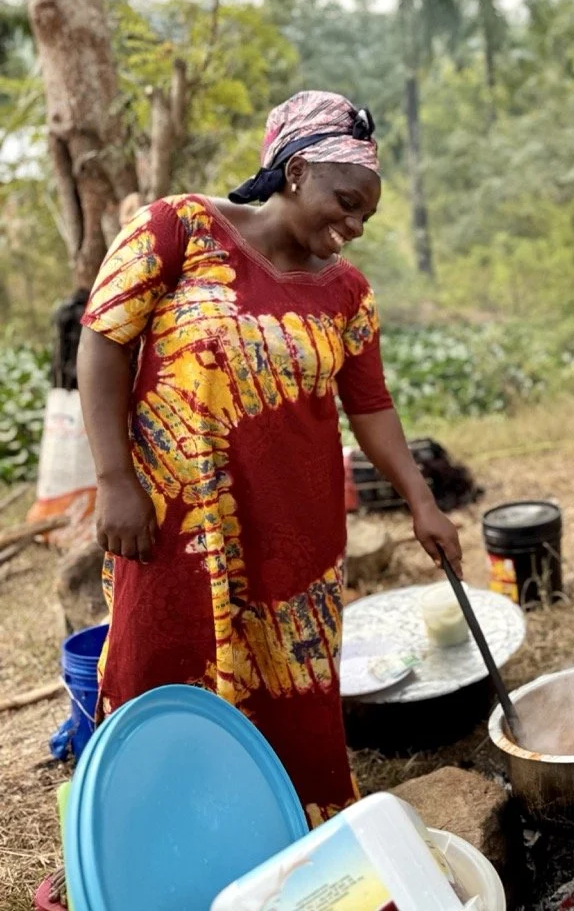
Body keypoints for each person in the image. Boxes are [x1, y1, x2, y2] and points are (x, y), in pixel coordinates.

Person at [78, 91, 463, 826]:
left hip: (298, 537)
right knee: (157, 677)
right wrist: (113, 479)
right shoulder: (178, 229)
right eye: (344, 203)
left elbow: (371, 406)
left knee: (292, 702)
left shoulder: (347, 294)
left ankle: (287, 847)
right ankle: (146, 846)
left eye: (364, 219)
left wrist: (422, 502)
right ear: (296, 172)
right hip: (176, 525)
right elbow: (103, 339)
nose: (351, 228)